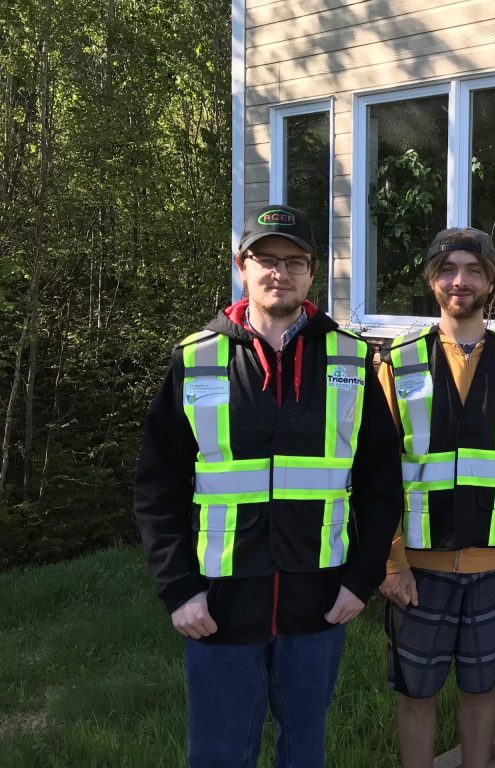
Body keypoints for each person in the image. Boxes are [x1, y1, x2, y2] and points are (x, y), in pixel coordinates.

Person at [134, 204, 403, 768]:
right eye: (265, 258)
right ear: (242, 266)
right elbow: (158, 486)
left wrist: (362, 578)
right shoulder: (197, 358)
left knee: (304, 753)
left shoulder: (350, 360)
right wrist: (179, 588)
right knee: (218, 755)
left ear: (312, 273)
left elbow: (382, 482)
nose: (278, 271)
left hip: (319, 601)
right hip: (219, 604)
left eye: (294, 260)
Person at [377, 227, 495, 768]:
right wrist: (392, 559)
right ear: (431, 280)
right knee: (416, 694)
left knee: (481, 691)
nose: (460, 281)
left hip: (493, 566)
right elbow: (378, 473)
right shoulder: (397, 360)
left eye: (474, 270)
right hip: (416, 570)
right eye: (448, 269)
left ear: (492, 281)